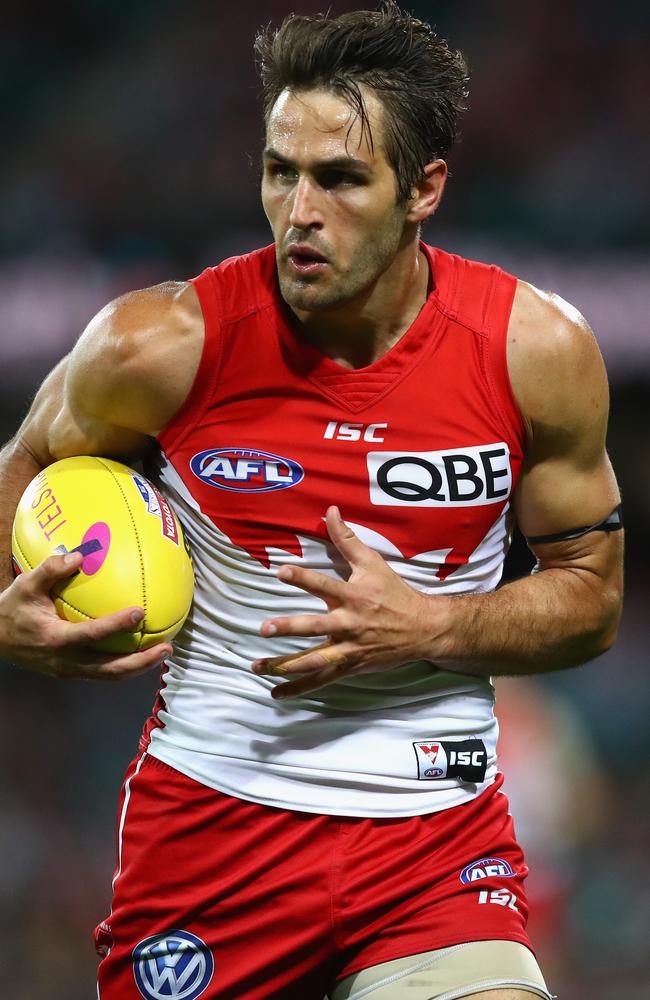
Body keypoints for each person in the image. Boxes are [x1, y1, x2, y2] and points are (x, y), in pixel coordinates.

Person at [0, 4, 623, 999]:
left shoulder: (533, 352)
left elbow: (588, 600)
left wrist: (431, 622)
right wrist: (8, 614)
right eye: (278, 170)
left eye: (338, 178)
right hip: (213, 835)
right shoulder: (155, 347)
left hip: (434, 843)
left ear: (423, 189)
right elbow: (23, 463)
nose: (298, 210)